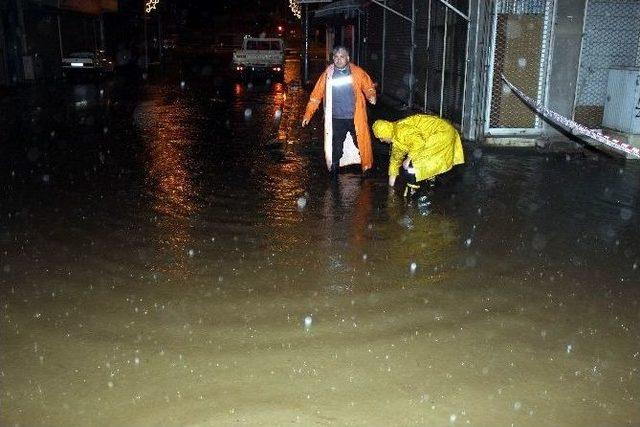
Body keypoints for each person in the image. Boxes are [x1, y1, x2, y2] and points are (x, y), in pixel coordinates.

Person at [301, 46, 377, 177]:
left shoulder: (357, 72)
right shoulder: (327, 75)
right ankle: (334, 170)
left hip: (355, 117)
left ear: (347, 58)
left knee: (362, 143)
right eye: (335, 57)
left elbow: (368, 86)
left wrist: (371, 95)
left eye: (342, 56)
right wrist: (308, 114)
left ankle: (367, 168)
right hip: (336, 118)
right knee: (335, 146)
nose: (338, 59)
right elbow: (315, 96)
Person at [372, 114, 465, 194]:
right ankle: (430, 186)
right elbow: (395, 162)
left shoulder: (401, 131)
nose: (381, 141)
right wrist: (391, 188)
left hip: (442, 132)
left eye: (381, 137)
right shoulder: (396, 141)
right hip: (439, 133)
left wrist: (408, 159)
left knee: (415, 162)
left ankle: (412, 192)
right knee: (423, 159)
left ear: (386, 133)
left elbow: (419, 143)